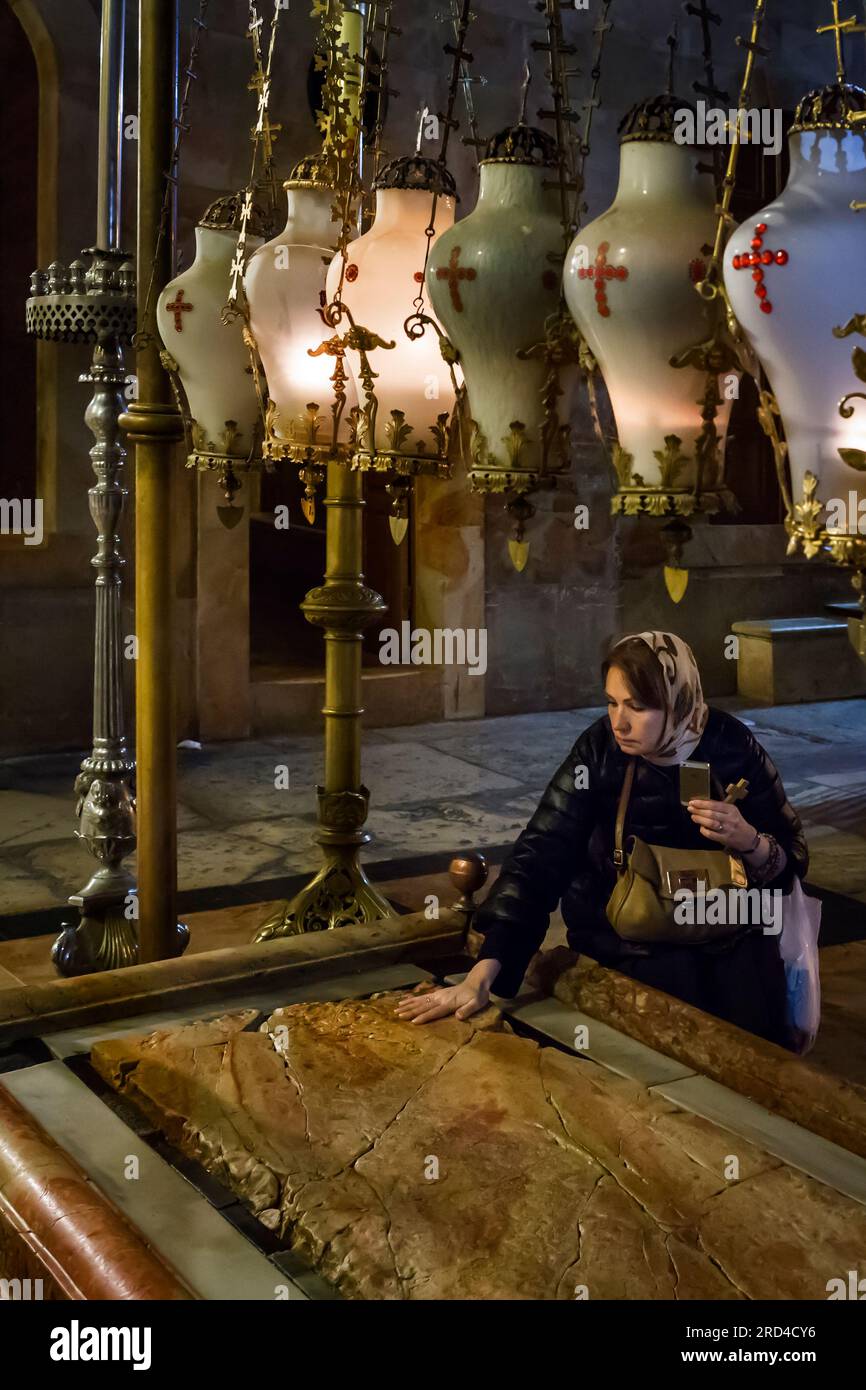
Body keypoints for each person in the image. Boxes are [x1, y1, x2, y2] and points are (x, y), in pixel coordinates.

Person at [395, 630, 808, 1047]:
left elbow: (792, 856)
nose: (619, 722)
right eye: (612, 702)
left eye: (638, 706)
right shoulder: (599, 751)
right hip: (625, 951)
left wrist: (749, 840)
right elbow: (542, 853)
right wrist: (485, 971)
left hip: (728, 951)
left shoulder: (731, 746)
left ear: (677, 701)